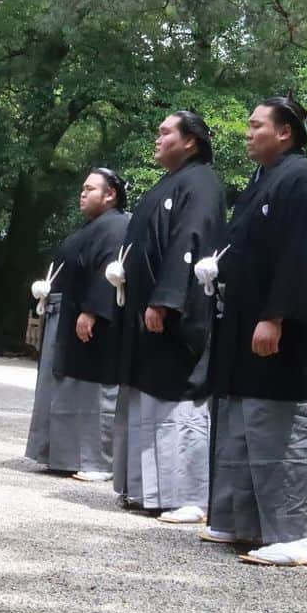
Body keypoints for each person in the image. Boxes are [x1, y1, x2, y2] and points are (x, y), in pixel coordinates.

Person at [199, 96, 307, 567]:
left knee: (279, 430)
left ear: (284, 132)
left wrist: (276, 315)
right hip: (242, 323)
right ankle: (242, 520)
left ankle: (292, 534)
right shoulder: (262, 180)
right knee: (243, 425)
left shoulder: (305, 180)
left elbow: (300, 255)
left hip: (281, 330)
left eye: (255, 125)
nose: (247, 133)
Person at [109, 110, 226, 524]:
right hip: (147, 307)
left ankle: (191, 495)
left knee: (180, 400)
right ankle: (149, 491)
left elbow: (189, 242)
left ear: (190, 141)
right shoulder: (167, 183)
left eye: (165, 132)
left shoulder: (202, 183)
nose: (156, 138)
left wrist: (167, 299)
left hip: (177, 311)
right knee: (148, 397)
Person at [25, 168, 130, 481]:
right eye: (83, 188)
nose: (82, 194)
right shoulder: (89, 227)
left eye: (90, 189)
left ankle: (96, 460)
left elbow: (111, 270)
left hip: (93, 320)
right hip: (68, 314)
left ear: (110, 194)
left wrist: (93, 311)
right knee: (62, 387)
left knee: (93, 391)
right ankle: (60, 454)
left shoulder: (117, 226)